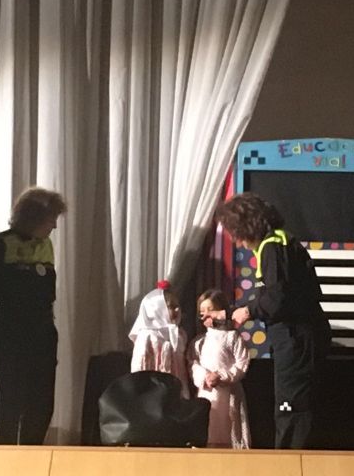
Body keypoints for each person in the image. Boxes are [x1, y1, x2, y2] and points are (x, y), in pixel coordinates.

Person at [212, 192, 331, 449]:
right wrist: (232, 312)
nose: (236, 241)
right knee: (292, 404)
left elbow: (277, 299)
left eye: (236, 233)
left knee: (290, 407)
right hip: (295, 337)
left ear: (247, 225)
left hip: (296, 338)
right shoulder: (277, 244)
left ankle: (289, 462)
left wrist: (248, 312)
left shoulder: (273, 247)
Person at [0, 187, 66, 445]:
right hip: (12, 333)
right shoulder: (1, 245)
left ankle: (33, 455)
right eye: (51, 219)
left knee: (42, 402)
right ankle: (6, 457)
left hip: (43, 331)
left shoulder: (46, 245)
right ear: (33, 217)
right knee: (11, 401)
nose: (54, 226)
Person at [187, 288, 250, 448]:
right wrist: (204, 377)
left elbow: (242, 363)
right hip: (207, 394)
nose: (206, 315)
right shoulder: (199, 341)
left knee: (230, 430)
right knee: (209, 430)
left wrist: (221, 376)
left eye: (211, 310)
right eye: (202, 311)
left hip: (229, 394)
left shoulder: (232, 337)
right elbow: (192, 363)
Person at [129, 281, 189, 398]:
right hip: (153, 394)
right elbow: (140, 369)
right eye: (171, 307)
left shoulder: (179, 334)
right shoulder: (147, 336)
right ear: (156, 309)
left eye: (177, 306)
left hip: (176, 390)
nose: (177, 310)